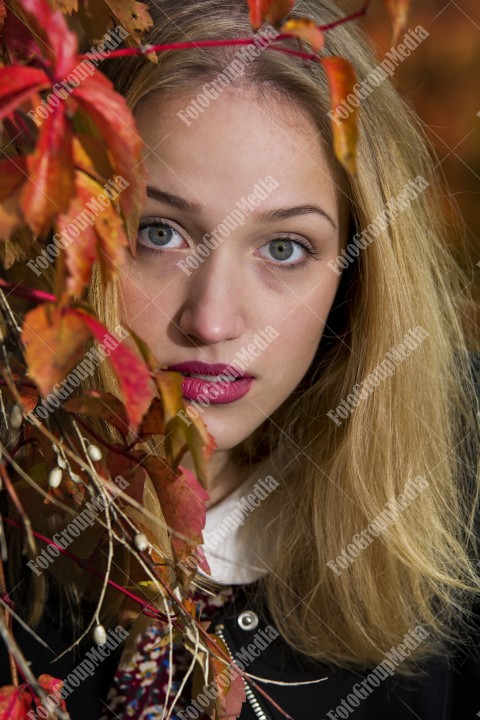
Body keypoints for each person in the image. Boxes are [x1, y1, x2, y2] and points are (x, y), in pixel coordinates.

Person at [1, 1, 479, 718]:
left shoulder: (459, 473)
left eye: (284, 249)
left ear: (358, 274)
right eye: (156, 233)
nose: (214, 321)